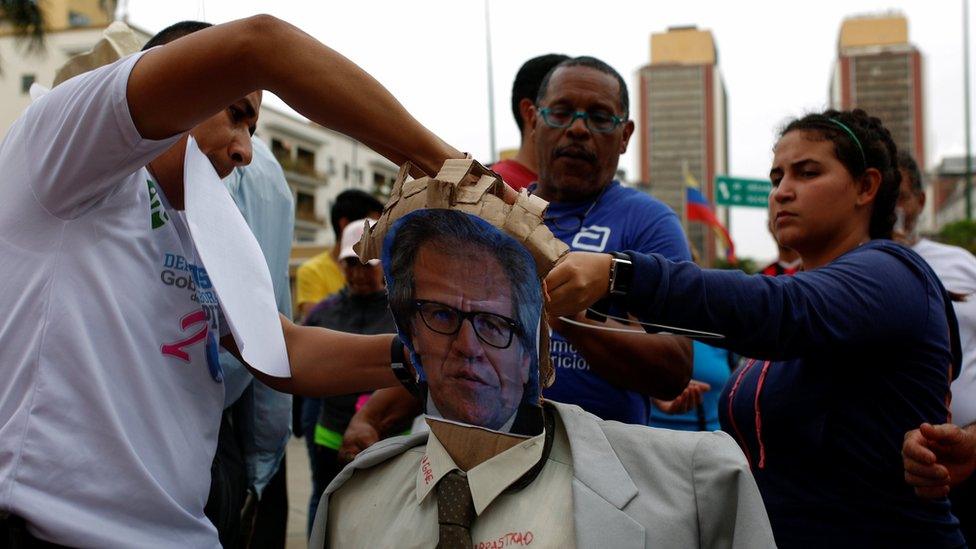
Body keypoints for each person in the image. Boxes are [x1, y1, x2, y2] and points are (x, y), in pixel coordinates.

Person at [0, 15, 475, 546]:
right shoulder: (64, 153)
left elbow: (280, 350)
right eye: (237, 116)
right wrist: (455, 172)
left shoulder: (208, 220)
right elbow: (262, 44)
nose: (245, 151)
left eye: (253, 129)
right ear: (182, 83)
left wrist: (429, 354)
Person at [545, 108, 966, 547]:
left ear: (866, 186)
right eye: (776, 177)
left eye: (806, 173)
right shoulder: (796, 290)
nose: (783, 192)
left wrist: (622, 274)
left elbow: (779, 312)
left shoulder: (892, 272)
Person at [310, 208, 775, 549]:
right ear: (409, 331)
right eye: (439, 314)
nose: (468, 347)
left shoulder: (696, 490)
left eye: (495, 324)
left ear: (537, 344)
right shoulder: (350, 502)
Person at [339, 57, 694, 455]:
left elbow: (674, 368)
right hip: (485, 464)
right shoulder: (490, 213)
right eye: (561, 113)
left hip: (602, 476)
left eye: (599, 117)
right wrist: (372, 418)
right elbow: (444, 342)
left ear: (625, 134)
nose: (578, 128)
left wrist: (561, 310)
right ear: (534, 119)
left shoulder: (650, 223)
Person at [303, 218, 402, 534]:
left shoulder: (403, 313)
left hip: (386, 436)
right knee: (324, 500)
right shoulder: (323, 312)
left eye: (367, 264)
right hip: (329, 432)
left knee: (382, 509)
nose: (359, 272)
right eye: (351, 263)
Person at [897, 149, 976, 544]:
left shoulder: (960, 263)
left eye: (901, 194)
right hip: (897, 474)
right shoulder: (846, 272)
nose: (891, 207)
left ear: (921, 202)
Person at [295, 190, 385, 321]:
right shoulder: (312, 271)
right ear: (345, 225)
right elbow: (317, 327)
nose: (358, 275)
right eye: (371, 227)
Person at [489, 53, 568, 190]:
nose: (580, 127)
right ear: (530, 113)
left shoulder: (578, 190)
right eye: (563, 111)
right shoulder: (498, 188)